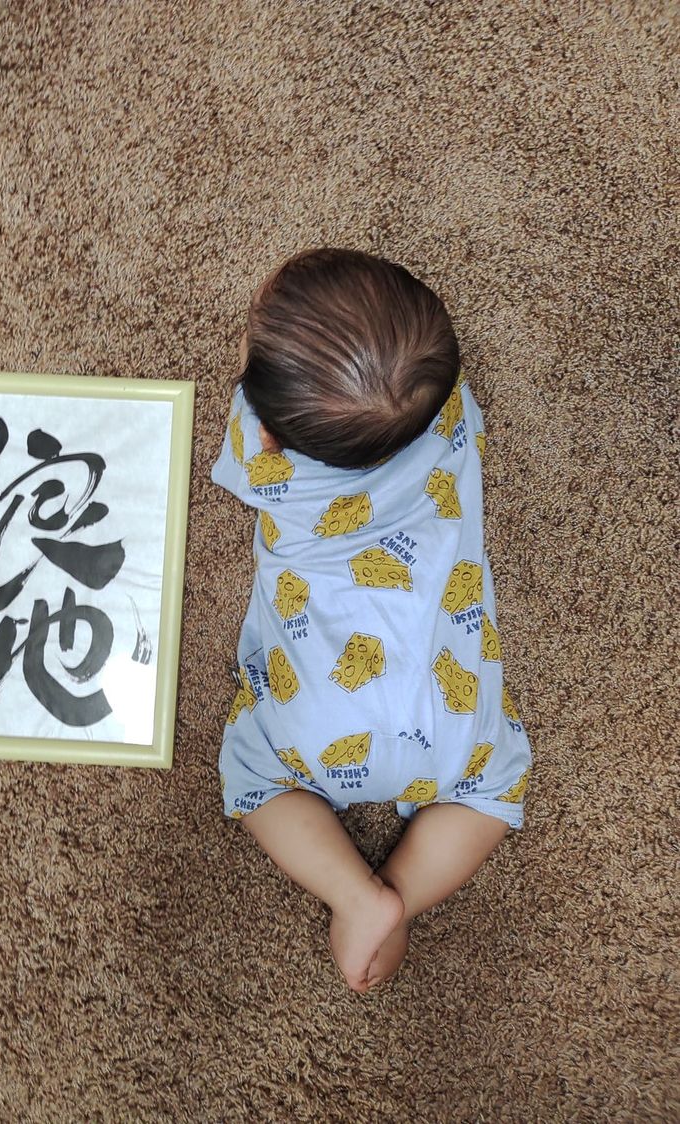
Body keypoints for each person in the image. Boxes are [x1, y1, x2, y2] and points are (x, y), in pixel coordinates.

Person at [212, 248, 532, 994]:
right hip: (447, 722)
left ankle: (358, 895)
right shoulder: (451, 416)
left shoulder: (262, 463)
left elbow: (247, 438)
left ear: (268, 435)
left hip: (312, 722)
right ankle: (404, 893)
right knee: (489, 795)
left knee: (255, 779)